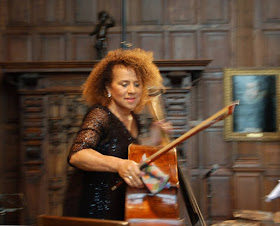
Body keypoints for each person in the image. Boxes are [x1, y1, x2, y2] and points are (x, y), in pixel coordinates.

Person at [63, 48, 172, 221]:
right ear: (108, 87)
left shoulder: (133, 117)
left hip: (120, 202)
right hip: (94, 206)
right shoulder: (99, 114)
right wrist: (119, 164)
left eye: (137, 84)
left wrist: (153, 138)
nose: (132, 90)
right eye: (124, 84)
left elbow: (125, 149)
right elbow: (77, 155)